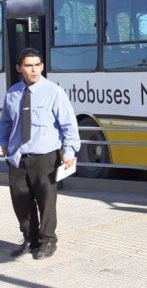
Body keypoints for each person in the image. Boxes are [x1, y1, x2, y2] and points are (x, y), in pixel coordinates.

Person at [0, 48, 80, 260]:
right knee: (21, 202)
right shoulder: (12, 93)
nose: (34, 69)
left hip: (45, 157)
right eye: (28, 65)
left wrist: (69, 151)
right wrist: (4, 142)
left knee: (46, 202)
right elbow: (6, 122)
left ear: (42, 66)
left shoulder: (54, 92)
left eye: (37, 65)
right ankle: (30, 239)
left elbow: (69, 125)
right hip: (17, 157)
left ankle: (47, 242)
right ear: (19, 68)